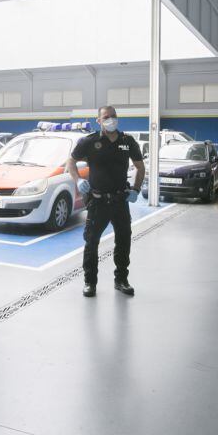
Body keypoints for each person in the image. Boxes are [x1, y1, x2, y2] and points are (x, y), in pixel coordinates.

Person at [65, 106, 144, 298]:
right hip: (97, 202)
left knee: (124, 241)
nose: (111, 120)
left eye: (114, 116)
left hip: (120, 201)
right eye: (106, 117)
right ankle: (90, 282)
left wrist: (135, 189)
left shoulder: (127, 141)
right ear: (98, 121)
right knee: (91, 242)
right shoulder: (89, 141)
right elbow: (71, 162)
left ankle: (121, 280)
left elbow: (140, 167)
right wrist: (78, 180)